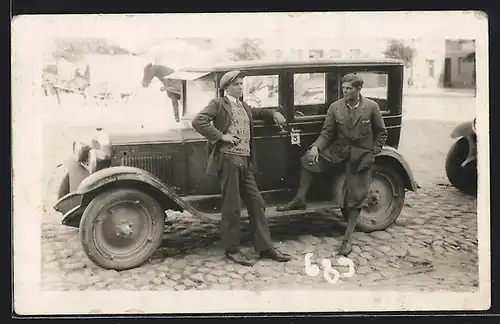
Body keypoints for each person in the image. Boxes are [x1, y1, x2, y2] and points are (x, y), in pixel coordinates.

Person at [276, 73, 388, 256]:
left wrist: (372, 152)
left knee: (356, 196)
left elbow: (381, 132)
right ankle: (300, 199)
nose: (345, 91)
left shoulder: (371, 107)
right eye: (343, 88)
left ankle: (347, 238)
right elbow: (327, 133)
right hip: (338, 151)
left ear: (359, 89)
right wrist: (316, 148)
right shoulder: (335, 107)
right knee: (307, 160)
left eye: (349, 88)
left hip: (360, 155)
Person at [191, 70, 292, 266]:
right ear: (226, 87)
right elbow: (199, 121)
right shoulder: (219, 104)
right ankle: (232, 249)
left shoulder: (243, 105)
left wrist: (273, 113)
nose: (240, 87)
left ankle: (265, 247)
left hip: (245, 161)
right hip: (229, 160)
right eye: (236, 84)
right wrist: (221, 136)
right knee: (232, 206)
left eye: (241, 84)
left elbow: (257, 113)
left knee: (257, 203)